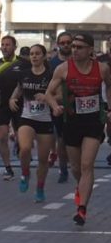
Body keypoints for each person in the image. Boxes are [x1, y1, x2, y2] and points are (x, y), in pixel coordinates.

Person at [44, 32, 111, 226]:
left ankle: (82, 209)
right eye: (73, 47)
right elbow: (48, 93)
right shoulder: (63, 69)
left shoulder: (102, 68)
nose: (74, 50)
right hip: (72, 121)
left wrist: (109, 108)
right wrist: (55, 106)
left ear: (90, 50)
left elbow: (109, 86)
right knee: (76, 168)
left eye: (79, 47)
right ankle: (81, 187)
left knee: (86, 165)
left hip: (93, 122)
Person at [9, 44, 54, 202]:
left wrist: (47, 98)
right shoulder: (24, 74)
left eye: (37, 53)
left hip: (45, 119)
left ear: (44, 56)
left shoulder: (50, 75)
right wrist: (12, 98)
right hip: (27, 117)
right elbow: (18, 89)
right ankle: (25, 172)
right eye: (32, 54)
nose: (34, 56)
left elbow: (59, 95)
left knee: (43, 159)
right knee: (25, 148)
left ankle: (40, 188)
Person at [0, 34, 21, 180]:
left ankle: (20, 149)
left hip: (19, 104)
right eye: (3, 44)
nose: (5, 47)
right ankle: (8, 168)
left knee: (22, 138)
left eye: (8, 44)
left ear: (15, 47)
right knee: (2, 137)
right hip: (2, 104)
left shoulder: (22, 63)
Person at [48, 31, 74, 183]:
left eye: (68, 42)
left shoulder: (79, 60)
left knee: (76, 141)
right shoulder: (52, 63)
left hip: (78, 106)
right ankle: (63, 170)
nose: (66, 45)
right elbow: (48, 88)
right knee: (61, 140)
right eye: (62, 43)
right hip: (59, 107)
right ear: (58, 44)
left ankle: (78, 167)